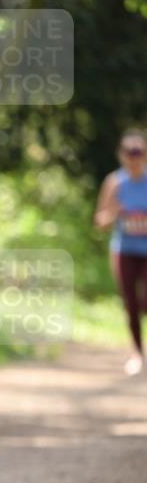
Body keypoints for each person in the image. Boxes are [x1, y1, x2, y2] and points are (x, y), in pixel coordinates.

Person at [94, 128, 147, 376]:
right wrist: (113, 213)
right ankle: (137, 352)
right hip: (124, 249)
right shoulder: (115, 182)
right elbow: (100, 221)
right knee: (130, 303)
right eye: (130, 151)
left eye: (139, 151)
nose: (134, 156)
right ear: (122, 154)